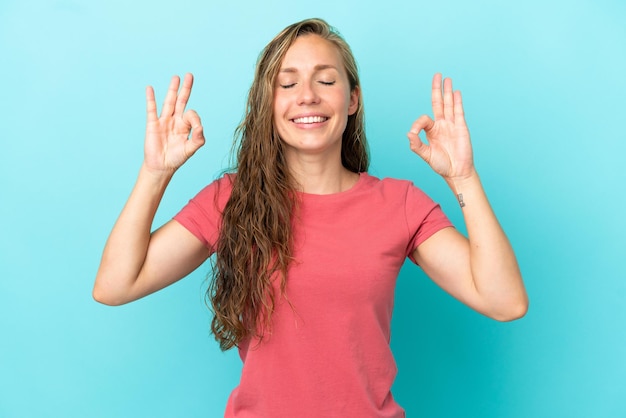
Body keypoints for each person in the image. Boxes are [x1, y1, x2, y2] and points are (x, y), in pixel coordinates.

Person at [94, 18, 528, 418]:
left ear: (352, 98)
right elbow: (116, 285)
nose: (307, 96)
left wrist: (463, 178)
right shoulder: (232, 200)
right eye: (288, 83)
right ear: (269, 103)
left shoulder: (400, 204)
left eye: (325, 80)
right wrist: (155, 174)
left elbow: (504, 301)